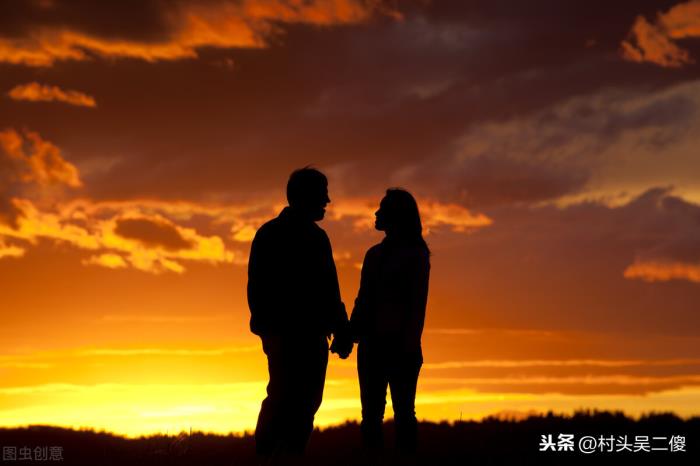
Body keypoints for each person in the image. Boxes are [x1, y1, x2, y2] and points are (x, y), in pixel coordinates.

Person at [247, 167, 353, 460]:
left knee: (303, 403)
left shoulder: (310, 237)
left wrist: (341, 329)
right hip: (288, 337)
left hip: (307, 336)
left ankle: (286, 457)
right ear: (304, 197)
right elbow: (258, 290)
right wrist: (270, 332)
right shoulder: (276, 235)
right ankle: (270, 457)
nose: (327, 201)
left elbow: (329, 290)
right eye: (322, 194)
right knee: (285, 399)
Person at [349, 188, 431, 454]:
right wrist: (350, 334)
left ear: (396, 215)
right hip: (372, 346)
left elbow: (416, 306)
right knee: (371, 416)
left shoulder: (415, 255)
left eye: (382, 209)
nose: (376, 213)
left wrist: (408, 345)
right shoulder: (374, 255)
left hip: (400, 346)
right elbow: (363, 300)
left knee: (403, 414)